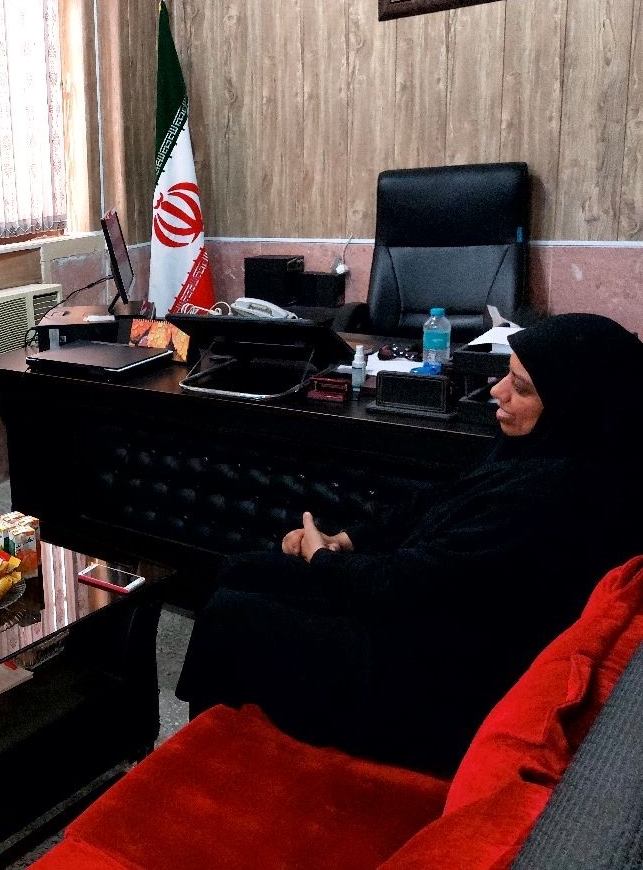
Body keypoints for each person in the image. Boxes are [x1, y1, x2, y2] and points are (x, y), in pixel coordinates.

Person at [175, 313, 643, 773]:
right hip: (421, 617)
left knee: (233, 615)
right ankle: (212, 736)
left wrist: (322, 559)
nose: (496, 391)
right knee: (243, 569)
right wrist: (345, 541)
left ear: (572, 405)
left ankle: (204, 764)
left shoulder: (557, 497)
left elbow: (412, 581)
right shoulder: (537, 451)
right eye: (506, 375)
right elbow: (433, 505)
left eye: (520, 387)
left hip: (436, 684)